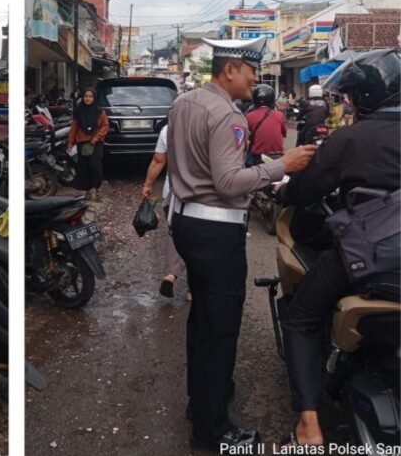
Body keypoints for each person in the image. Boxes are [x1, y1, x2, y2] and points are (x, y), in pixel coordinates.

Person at [167, 36, 316, 452]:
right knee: (219, 330)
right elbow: (229, 182)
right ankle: (212, 432)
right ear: (229, 69)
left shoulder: (186, 103)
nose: (256, 77)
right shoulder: (228, 116)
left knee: (202, 325)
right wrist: (281, 166)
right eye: (251, 69)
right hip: (216, 231)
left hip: (187, 223)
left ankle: (203, 403)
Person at [276, 48, 400, 448]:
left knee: (301, 318)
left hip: (370, 259)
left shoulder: (348, 139)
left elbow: (308, 189)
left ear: (361, 98)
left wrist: (285, 188)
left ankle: (309, 425)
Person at [141, 122, 190, 301]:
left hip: (172, 189)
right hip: (198, 190)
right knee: (197, 235)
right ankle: (193, 287)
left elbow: (158, 160)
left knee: (174, 233)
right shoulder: (204, 124)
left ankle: (171, 274)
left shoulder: (168, 129)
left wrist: (147, 184)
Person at [67, 87, 109, 201]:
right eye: (86, 96)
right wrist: (70, 141)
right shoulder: (79, 110)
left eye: (90, 96)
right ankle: (87, 190)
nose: (88, 99)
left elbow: (105, 126)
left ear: (94, 98)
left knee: (95, 166)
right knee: (84, 167)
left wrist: (96, 137)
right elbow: (74, 126)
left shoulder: (99, 110)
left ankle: (96, 189)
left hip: (96, 143)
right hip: (82, 141)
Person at [245, 84, 287, 166]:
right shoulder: (279, 115)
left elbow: (245, 137)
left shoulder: (249, 116)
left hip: (257, 157)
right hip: (277, 157)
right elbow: (284, 133)